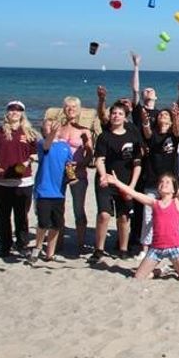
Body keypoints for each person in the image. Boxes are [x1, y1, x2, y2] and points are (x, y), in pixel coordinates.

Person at [106, 151, 179, 281]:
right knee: (138, 277)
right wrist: (117, 183)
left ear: (174, 189)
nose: (163, 183)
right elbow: (134, 194)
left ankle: (173, 268)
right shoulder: (154, 203)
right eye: (161, 182)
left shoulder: (177, 202)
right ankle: (160, 271)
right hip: (156, 248)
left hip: (175, 248)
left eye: (167, 182)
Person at [0, 100, 38, 257]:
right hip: (0, 181)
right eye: (11, 109)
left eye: (18, 110)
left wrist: (27, 162)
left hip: (23, 182)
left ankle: (22, 245)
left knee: (22, 216)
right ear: (7, 112)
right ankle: (5, 245)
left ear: (22, 113)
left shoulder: (29, 133)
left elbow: (34, 154)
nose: (15, 112)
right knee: (3, 217)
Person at [92, 101, 143, 262]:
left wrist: (132, 187)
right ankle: (99, 249)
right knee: (104, 215)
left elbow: (137, 163)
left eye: (120, 114)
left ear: (124, 117)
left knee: (123, 217)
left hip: (126, 182)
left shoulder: (132, 135)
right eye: (114, 113)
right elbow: (99, 159)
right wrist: (103, 176)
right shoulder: (104, 136)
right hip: (106, 181)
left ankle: (123, 248)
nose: (116, 116)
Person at [28, 119, 73, 265]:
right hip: (43, 191)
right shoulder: (42, 143)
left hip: (59, 191)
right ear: (43, 129)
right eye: (49, 125)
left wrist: (71, 172)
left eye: (55, 125)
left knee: (56, 224)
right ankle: (37, 247)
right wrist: (52, 133)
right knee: (43, 223)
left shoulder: (65, 146)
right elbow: (47, 146)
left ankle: (50, 253)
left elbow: (69, 164)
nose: (53, 127)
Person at [137, 107, 179, 258]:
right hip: (152, 180)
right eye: (161, 114)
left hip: (170, 185)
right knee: (148, 216)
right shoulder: (153, 135)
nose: (163, 115)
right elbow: (147, 132)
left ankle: (172, 245)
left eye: (166, 114)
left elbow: (177, 131)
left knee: (171, 216)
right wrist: (144, 120)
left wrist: (175, 117)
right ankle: (145, 248)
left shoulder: (173, 136)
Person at [53, 96, 94, 254]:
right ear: (64, 109)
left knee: (78, 209)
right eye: (68, 107)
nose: (71, 109)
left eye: (74, 107)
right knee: (58, 208)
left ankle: (81, 244)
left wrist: (81, 164)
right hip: (59, 173)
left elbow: (90, 154)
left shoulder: (84, 130)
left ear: (79, 110)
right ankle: (59, 242)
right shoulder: (59, 128)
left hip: (78, 173)